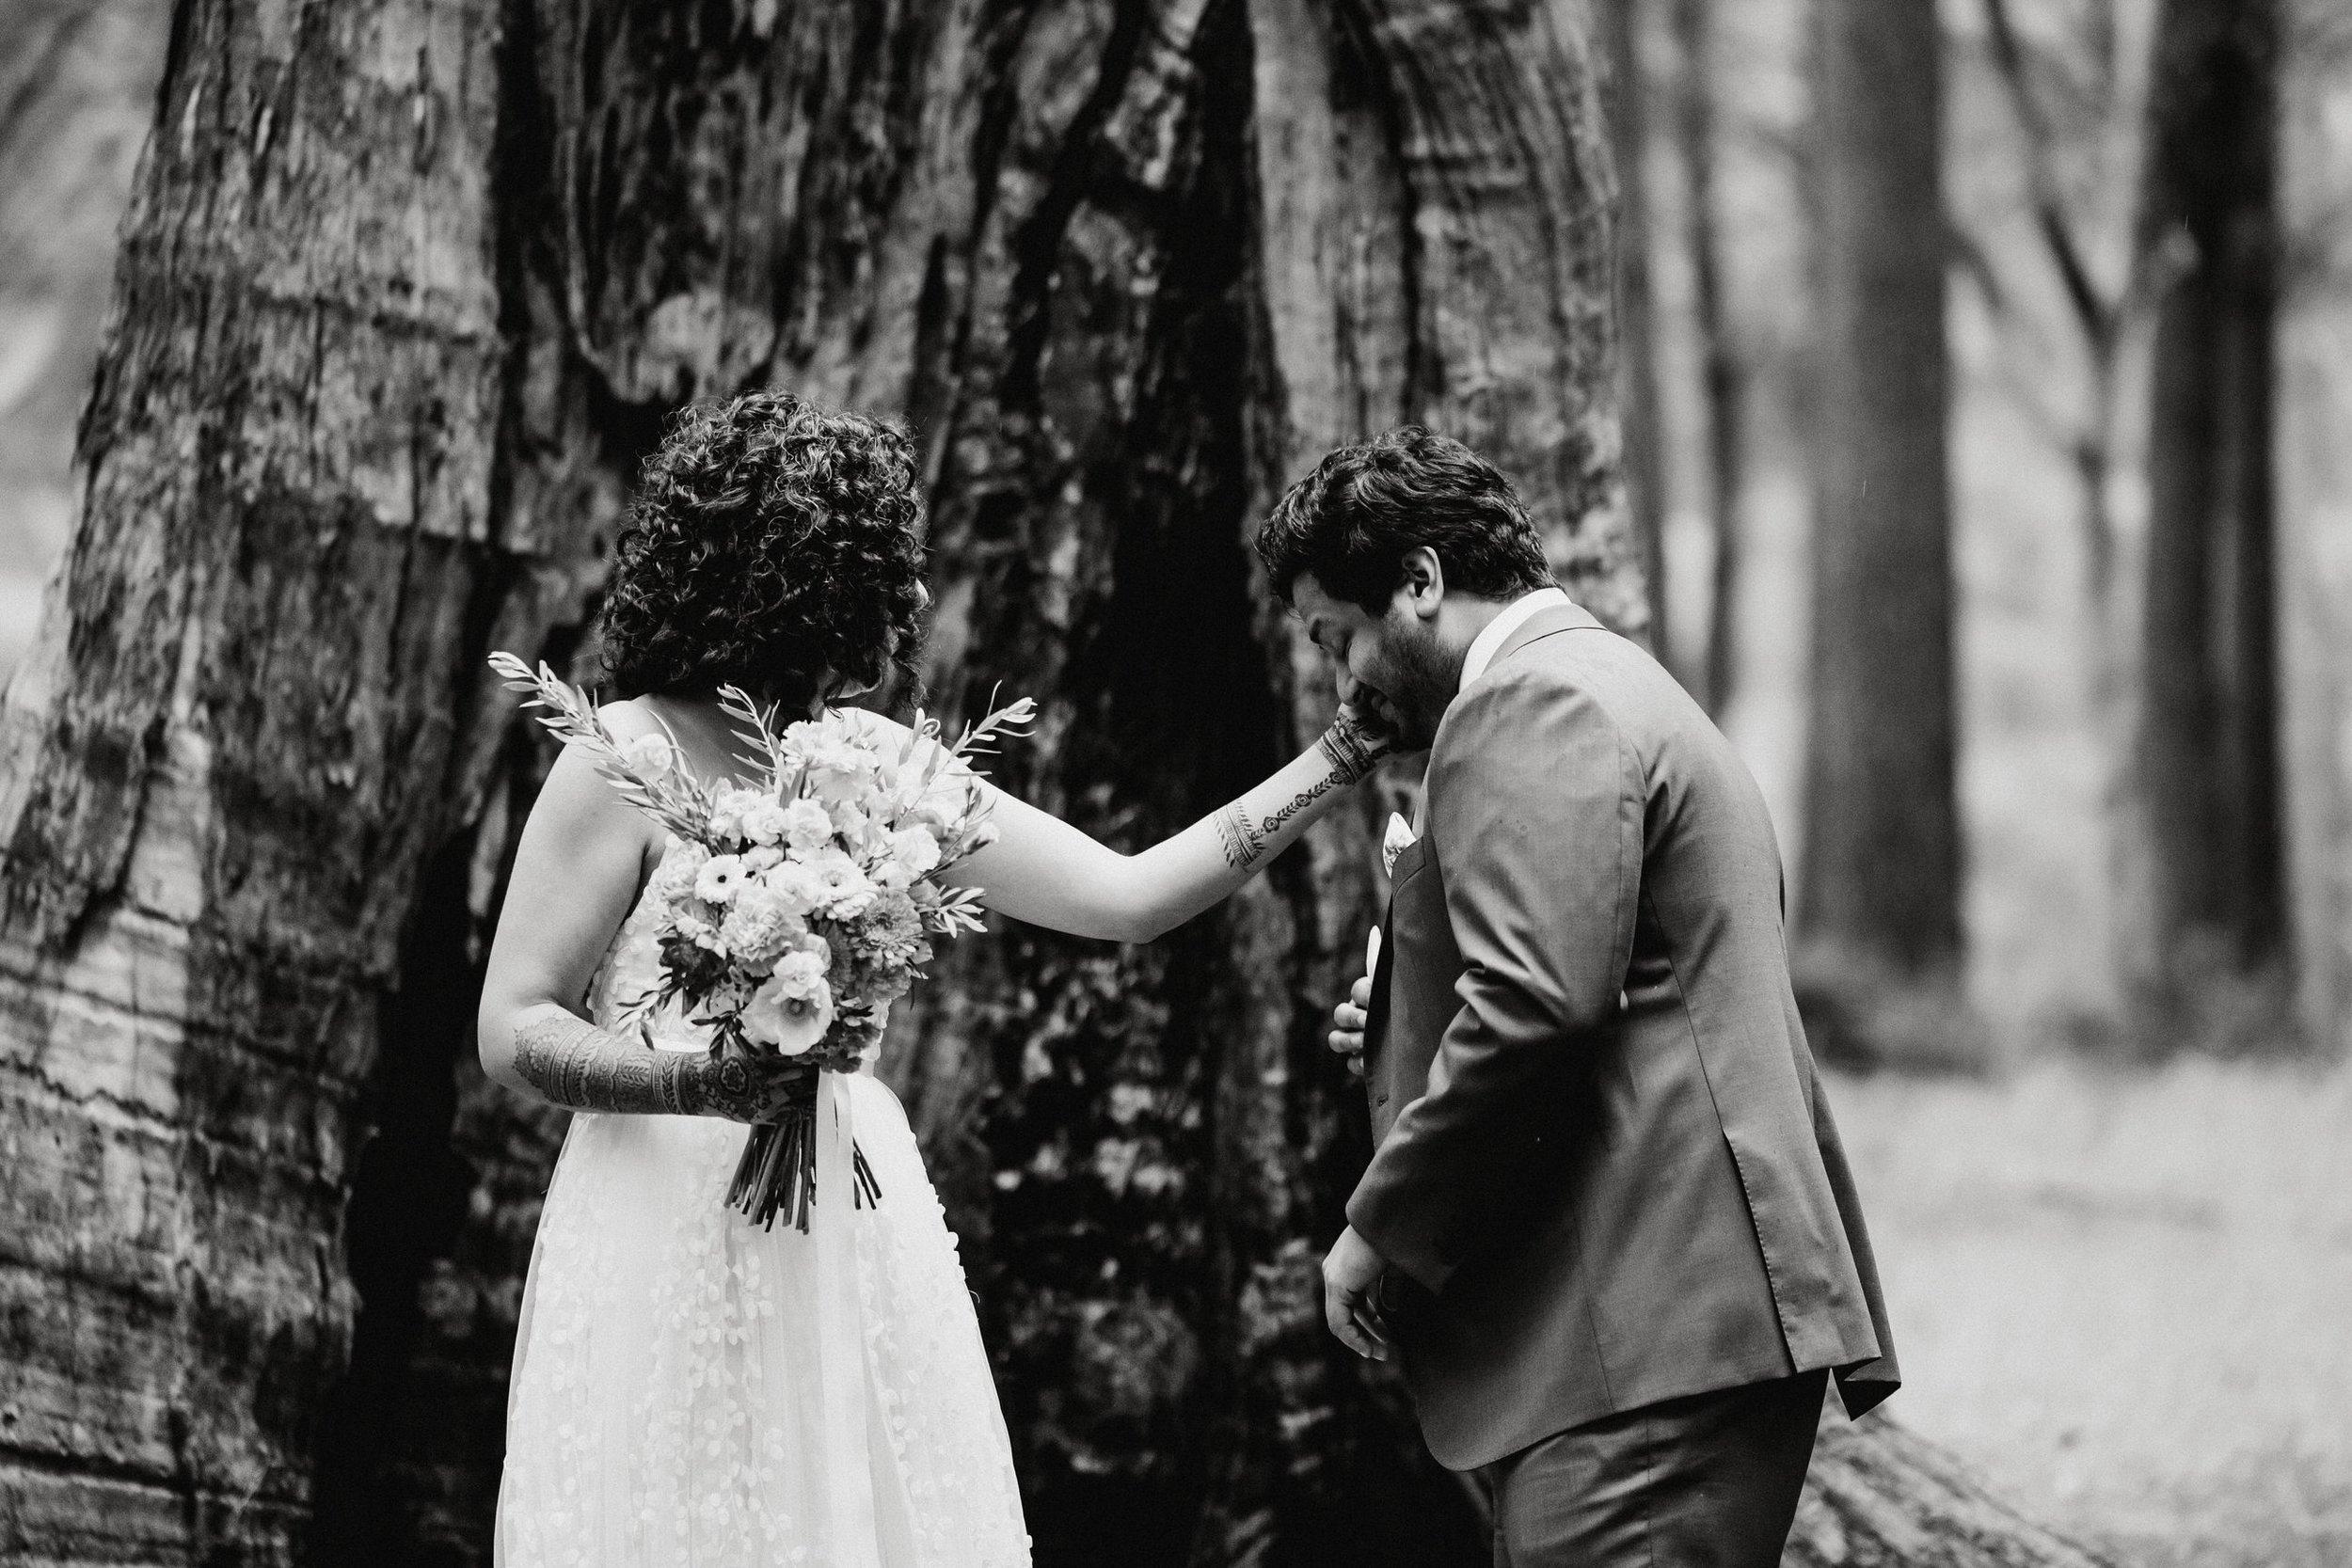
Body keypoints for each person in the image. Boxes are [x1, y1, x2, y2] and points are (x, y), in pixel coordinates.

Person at [479, 391, 1388, 1568]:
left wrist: (1341, 756)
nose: (907, 599)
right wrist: (704, 1081)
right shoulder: (623, 756)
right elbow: (513, 1025)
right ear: (798, 575)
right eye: (879, 567)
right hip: (653, 1219)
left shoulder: (886, 770)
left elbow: (1129, 897)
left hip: (850, 1229)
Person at [1265, 426, 1899, 1568]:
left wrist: (1378, 1225)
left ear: (1420, 581)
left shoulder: (1526, 703)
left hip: (1650, 1337)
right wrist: (1404, 1025)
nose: (1341, 681)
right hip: (1674, 1325)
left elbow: (1536, 1006)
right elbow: (1629, 974)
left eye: (1339, 636)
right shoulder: (1614, 681)